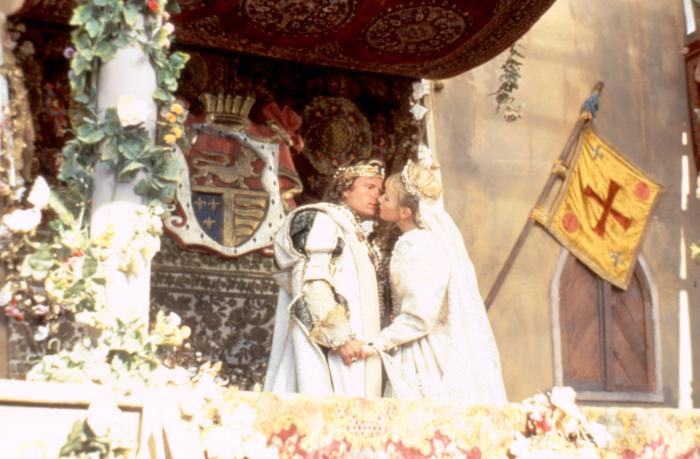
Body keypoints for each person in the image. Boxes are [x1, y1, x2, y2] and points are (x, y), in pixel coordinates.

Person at [357, 158, 507, 404]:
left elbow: (420, 317)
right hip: (426, 342)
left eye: (387, 197)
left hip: (424, 355)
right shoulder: (426, 241)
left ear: (405, 212)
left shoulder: (416, 244)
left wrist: (376, 343)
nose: (380, 199)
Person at [263, 159, 385, 397]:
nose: (376, 196)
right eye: (369, 186)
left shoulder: (355, 231)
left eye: (380, 190)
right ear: (345, 190)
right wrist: (340, 338)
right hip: (334, 345)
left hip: (357, 345)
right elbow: (313, 283)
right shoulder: (325, 220)